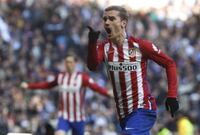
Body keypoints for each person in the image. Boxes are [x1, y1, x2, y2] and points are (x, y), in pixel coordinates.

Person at [87, 6, 179, 135]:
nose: (107, 22)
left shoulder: (140, 46)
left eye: (112, 19)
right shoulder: (104, 47)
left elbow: (169, 63)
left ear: (123, 23)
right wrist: (91, 44)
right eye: (105, 19)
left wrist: (172, 96)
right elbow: (92, 66)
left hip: (143, 109)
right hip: (123, 114)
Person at [20, 54, 112, 135]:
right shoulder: (61, 77)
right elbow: (47, 85)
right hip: (64, 116)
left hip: (78, 118)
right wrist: (29, 86)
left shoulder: (82, 78)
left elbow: (96, 87)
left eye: (71, 62)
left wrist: (107, 93)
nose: (69, 64)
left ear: (75, 63)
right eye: (67, 62)